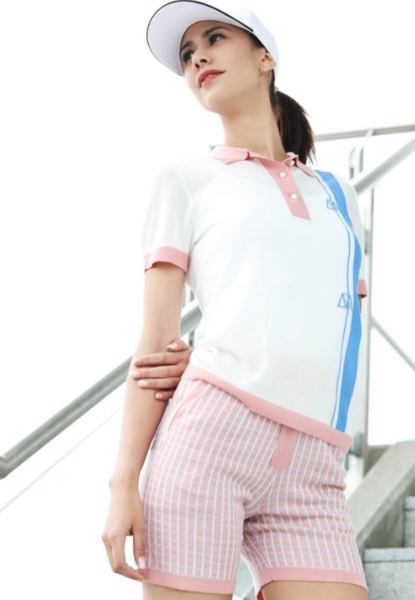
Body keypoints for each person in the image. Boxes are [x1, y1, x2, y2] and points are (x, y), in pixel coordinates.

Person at [101, 2, 370, 599]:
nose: (198, 57)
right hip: (210, 441)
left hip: (315, 468)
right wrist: (124, 485)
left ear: (264, 57)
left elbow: (329, 322)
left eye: (215, 38)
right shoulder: (184, 178)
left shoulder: (339, 196)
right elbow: (155, 346)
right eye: (187, 53)